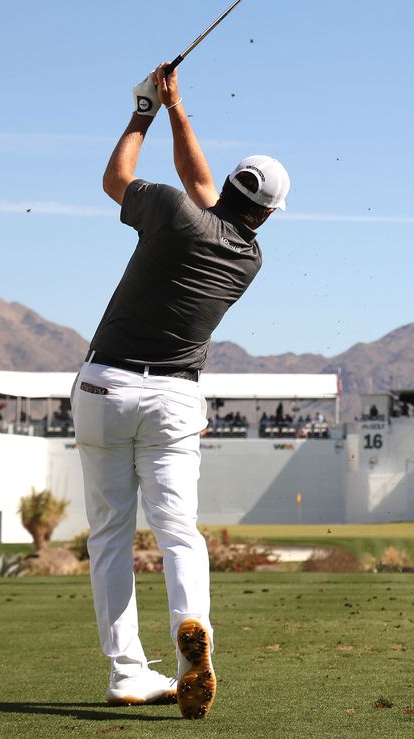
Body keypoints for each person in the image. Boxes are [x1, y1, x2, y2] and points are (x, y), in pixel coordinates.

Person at [72, 63, 289, 720]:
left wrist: (143, 110)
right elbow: (209, 194)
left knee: (111, 533)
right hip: (174, 402)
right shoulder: (247, 257)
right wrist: (176, 108)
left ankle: (127, 673)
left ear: (227, 186)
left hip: (105, 387)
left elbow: (115, 181)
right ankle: (193, 628)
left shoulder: (169, 210)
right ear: (269, 214)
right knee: (178, 533)